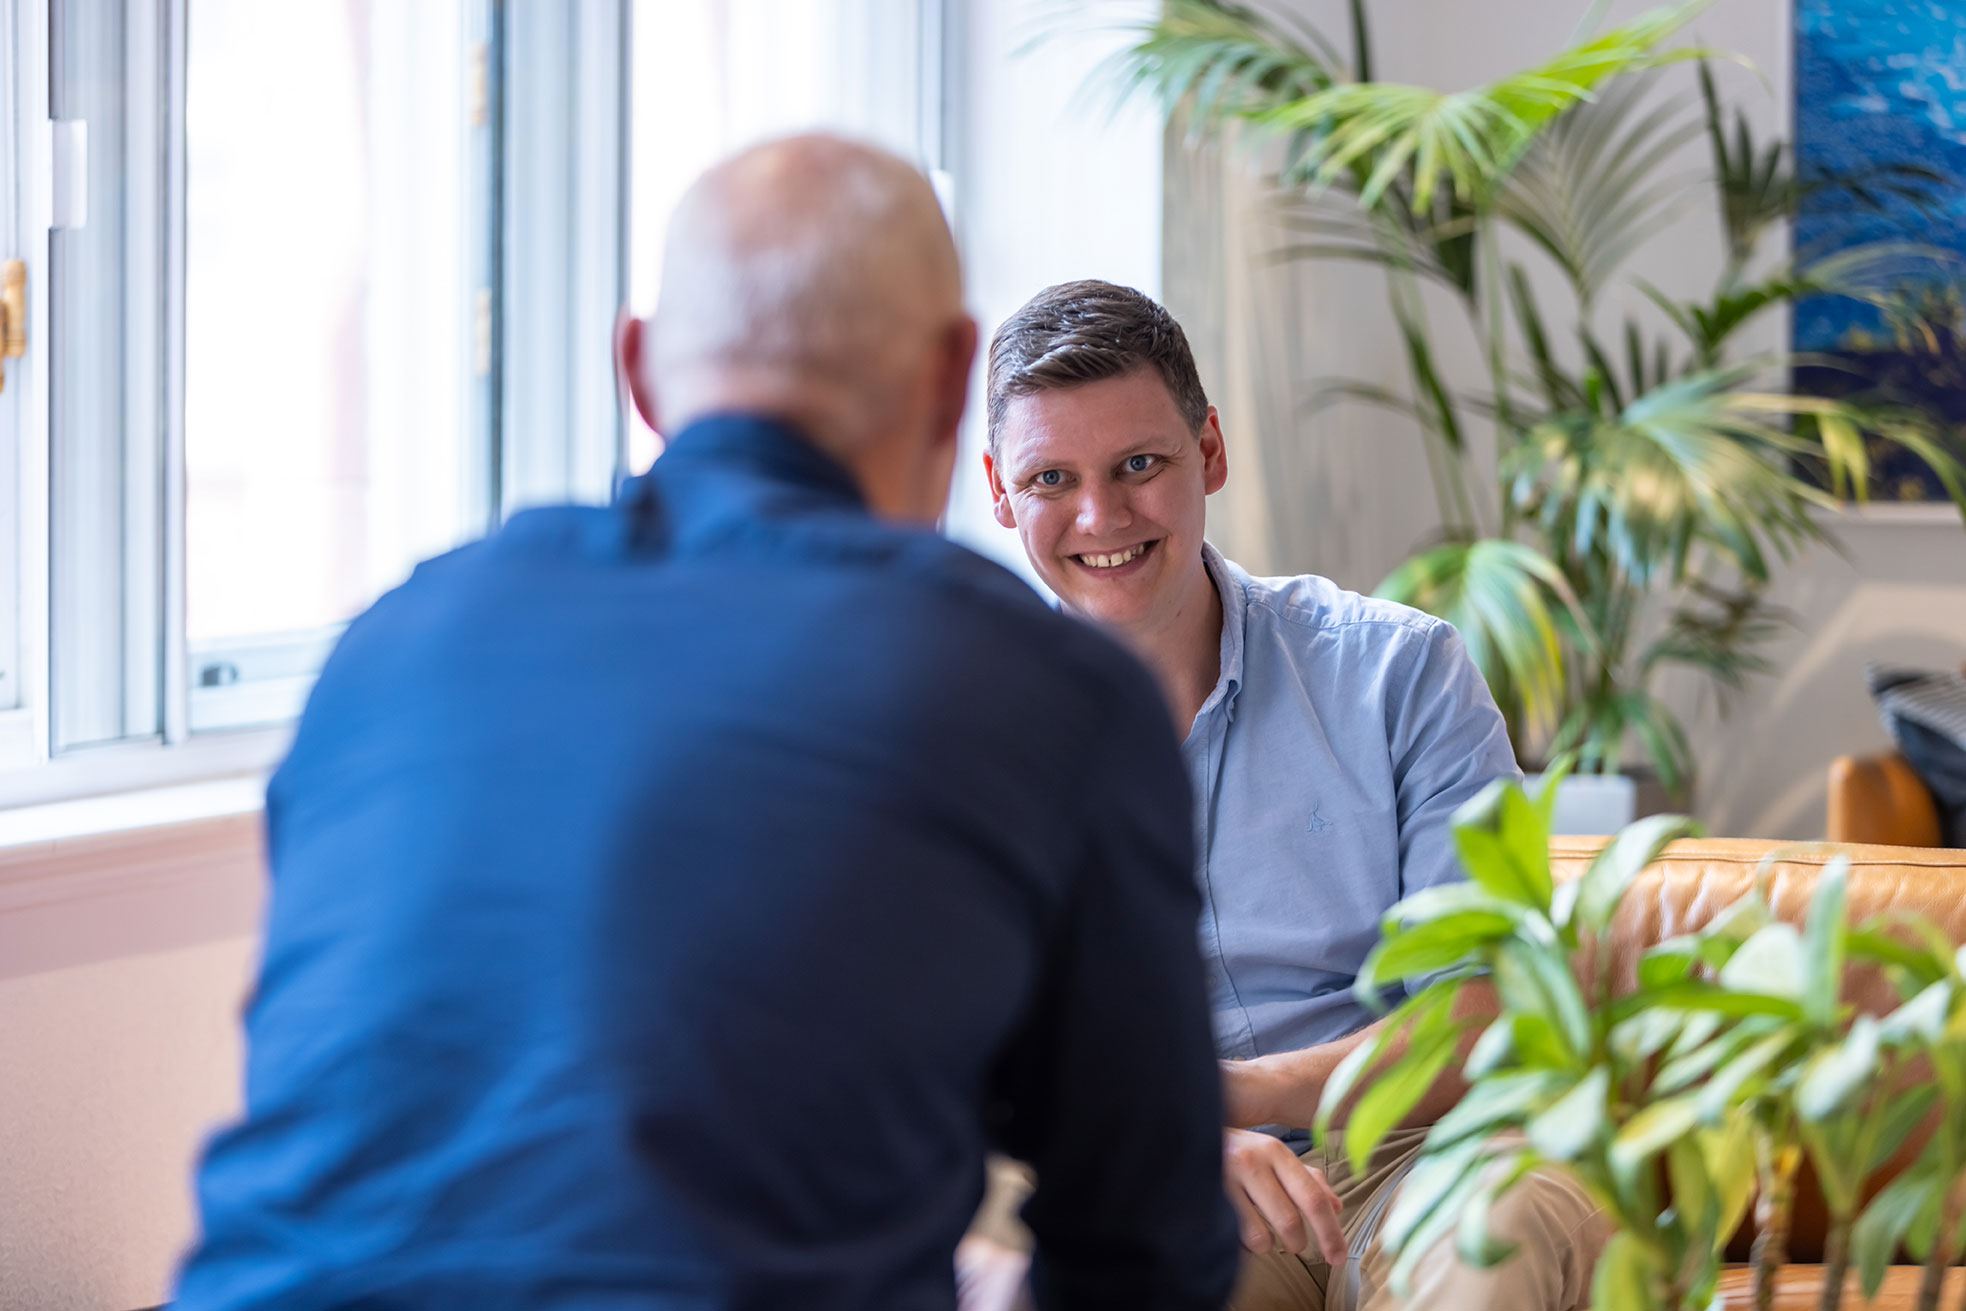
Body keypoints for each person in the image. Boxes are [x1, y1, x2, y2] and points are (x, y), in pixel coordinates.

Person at [173, 141, 1239, 1311]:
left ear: (639, 372)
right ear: (950, 386)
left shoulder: (391, 643)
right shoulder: (1041, 689)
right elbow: (1144, 1253)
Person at [976, 280, 1609, 1311]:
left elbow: (1490, 1004)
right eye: (1053, 478)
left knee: (1494, 1241)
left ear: (1210, 453)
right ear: (1002, 495)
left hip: (1428, 1152)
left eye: (1141, 464)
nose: (1102, 516)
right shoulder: (962, 736)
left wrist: (1226, 1093)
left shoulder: (1399, 672)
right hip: (1166, 1177)